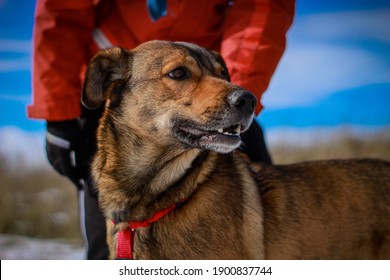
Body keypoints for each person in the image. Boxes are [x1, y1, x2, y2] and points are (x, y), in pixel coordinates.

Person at [28, 0, 295, 259]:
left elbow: (262, 8)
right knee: (104, 251)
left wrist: (230, 91)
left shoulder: (215, 85)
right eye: (178, 74)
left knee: (272, 236)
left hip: (210, 78)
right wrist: (58, 112)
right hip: (116, 88)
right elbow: (61, 11)